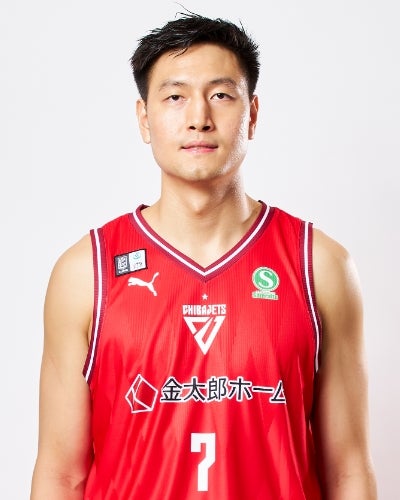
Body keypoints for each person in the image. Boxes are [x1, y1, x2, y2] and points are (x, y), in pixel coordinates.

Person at [30, 11, 377, 499]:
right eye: (175, 97)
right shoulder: (86, 272)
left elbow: (348, 471)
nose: (198, 118)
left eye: (220, 95)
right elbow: (61, 475)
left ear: (252, 113)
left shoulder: (318, 264)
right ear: (144, 118)